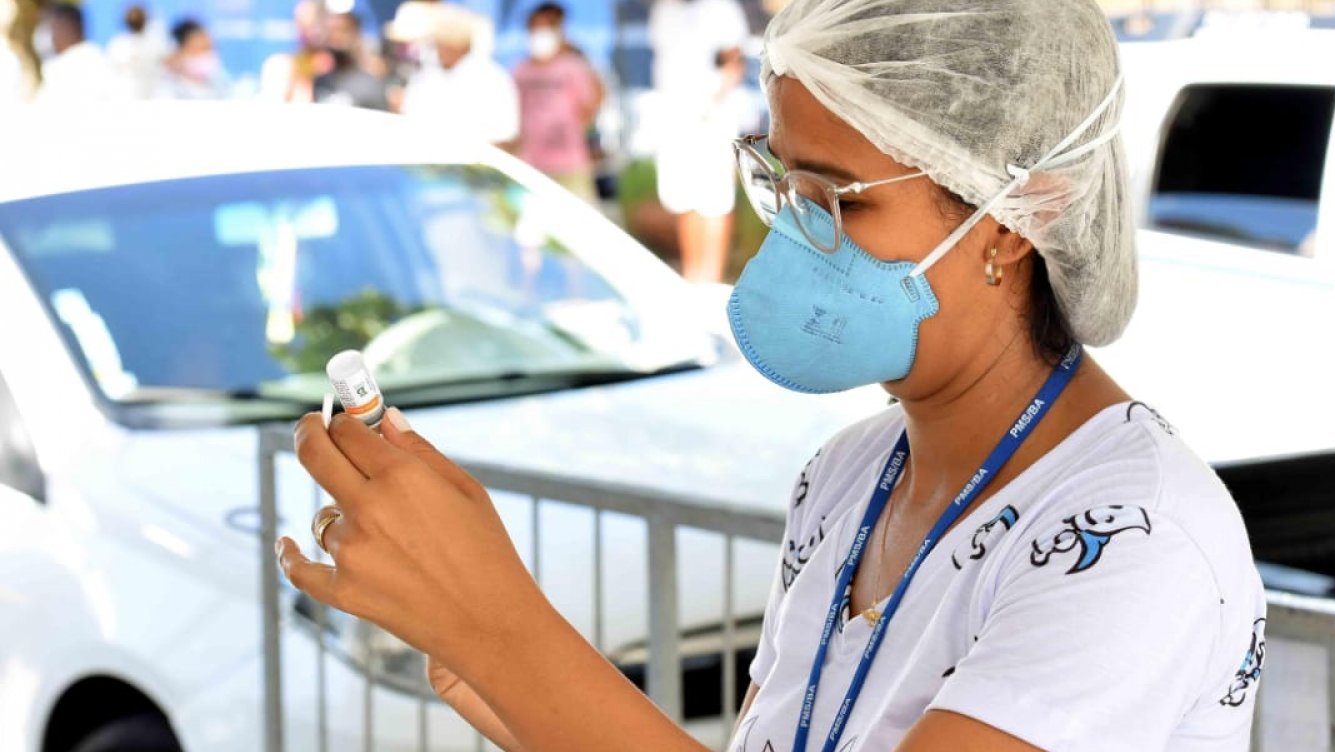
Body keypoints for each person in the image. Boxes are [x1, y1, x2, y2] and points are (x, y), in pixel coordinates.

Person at [276, 1, 1267, 750]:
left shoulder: (1136, 541)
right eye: (784, 184)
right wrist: (528, 693)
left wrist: (502, 627)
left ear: (1009, 221)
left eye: (836, 200)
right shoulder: (851, 474)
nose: (792, 236)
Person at [649, 0, 750, 282]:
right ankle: (694, 276)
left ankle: (712, 278)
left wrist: (709, 105)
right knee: (684, 199)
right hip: (675, 123)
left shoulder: (722, 9)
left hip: (712, 120)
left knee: (715, 202)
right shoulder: (664, 11)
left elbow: (733, 62)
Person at [511, 2, 603, 202]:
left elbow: (592, 104)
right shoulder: (520, 70)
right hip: (530, 165)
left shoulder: (574, 66)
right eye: (536, 27)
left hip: (569, 165)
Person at [396, 4, 517, 148]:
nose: (439, 48)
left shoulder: (491, 78)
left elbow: (503, 136)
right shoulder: (425, 75)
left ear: (459, 44)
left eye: (443, 42)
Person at [36, 3, 123, 103]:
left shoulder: (67, 67)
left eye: (52, 28)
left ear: (65, 27)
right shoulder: (98, 58)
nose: (50, 36)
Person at [314, 11, 387, 110]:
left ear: (356, 33)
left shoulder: (369, 84)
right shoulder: (319, 80)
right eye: (330, 31)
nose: (335, 37)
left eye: (342, 30)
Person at [259, 0, 326, 103]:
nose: (311, 33)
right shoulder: (281, 66)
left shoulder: (338, 66)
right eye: (304, 26)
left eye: (315, 25)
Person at [105, 4, 169, 100]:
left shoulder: (155, 42)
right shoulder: (117, 44)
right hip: (124, 97)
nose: (135, 19)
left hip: (151, 95)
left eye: (138, 16)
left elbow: (168, 64)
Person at [158, 18, 228, 99]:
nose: (208, 55)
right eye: (201, 49)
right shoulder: (165, 92)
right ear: (177, 52)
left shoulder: (220, 87)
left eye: (210, 48)